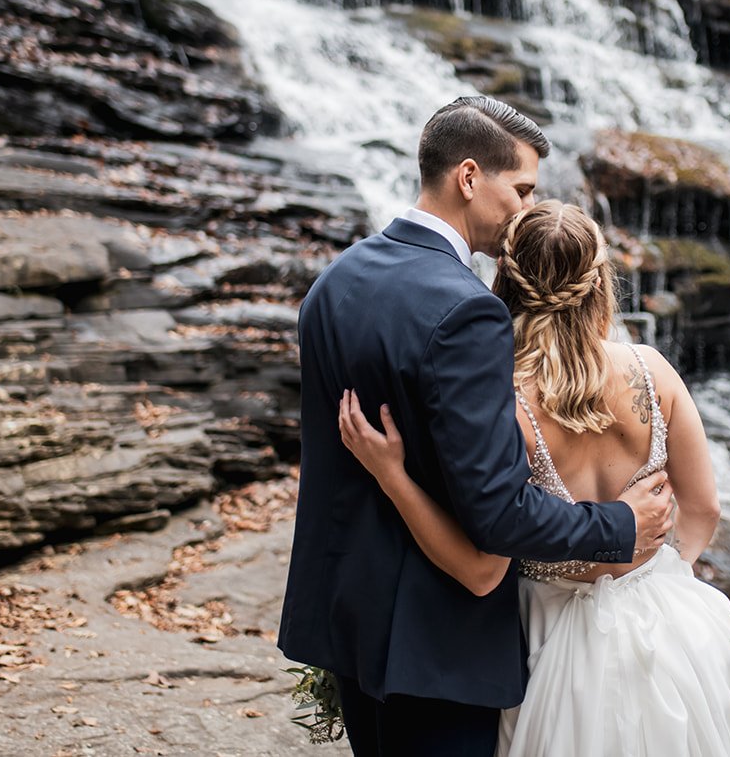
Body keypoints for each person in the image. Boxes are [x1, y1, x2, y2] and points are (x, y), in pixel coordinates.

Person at [278, 98, 677, 757]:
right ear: (469, 177)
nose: (526, 210)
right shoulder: (466, 312)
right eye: (521, 189)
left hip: (348, 621)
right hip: (436, 644)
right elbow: (498, 512)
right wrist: (620, 525)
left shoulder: (333, 283)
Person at [340, 199, 730, 756]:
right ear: (599, 283)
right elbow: (703, 510)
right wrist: (661, 575)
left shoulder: (502, 400)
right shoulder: (652, 370)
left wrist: (391, 473)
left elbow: (482, 557)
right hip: (667, 625)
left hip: (546, 636)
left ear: (505, 281)